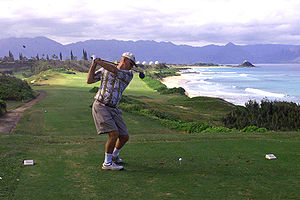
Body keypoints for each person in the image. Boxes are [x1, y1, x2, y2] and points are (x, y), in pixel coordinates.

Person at [87, 52, 136, 171]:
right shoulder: (105, 70)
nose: (132, 66)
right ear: (124, 60)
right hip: (101, 105)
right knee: (114, 134)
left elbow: (115, 71)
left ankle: (114, 156)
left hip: (114, 108)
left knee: (124, 136)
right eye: (131, 63)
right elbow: (90, 80)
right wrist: (94, 64)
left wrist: (99, 61)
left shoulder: (128, 75)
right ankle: (107, 163)